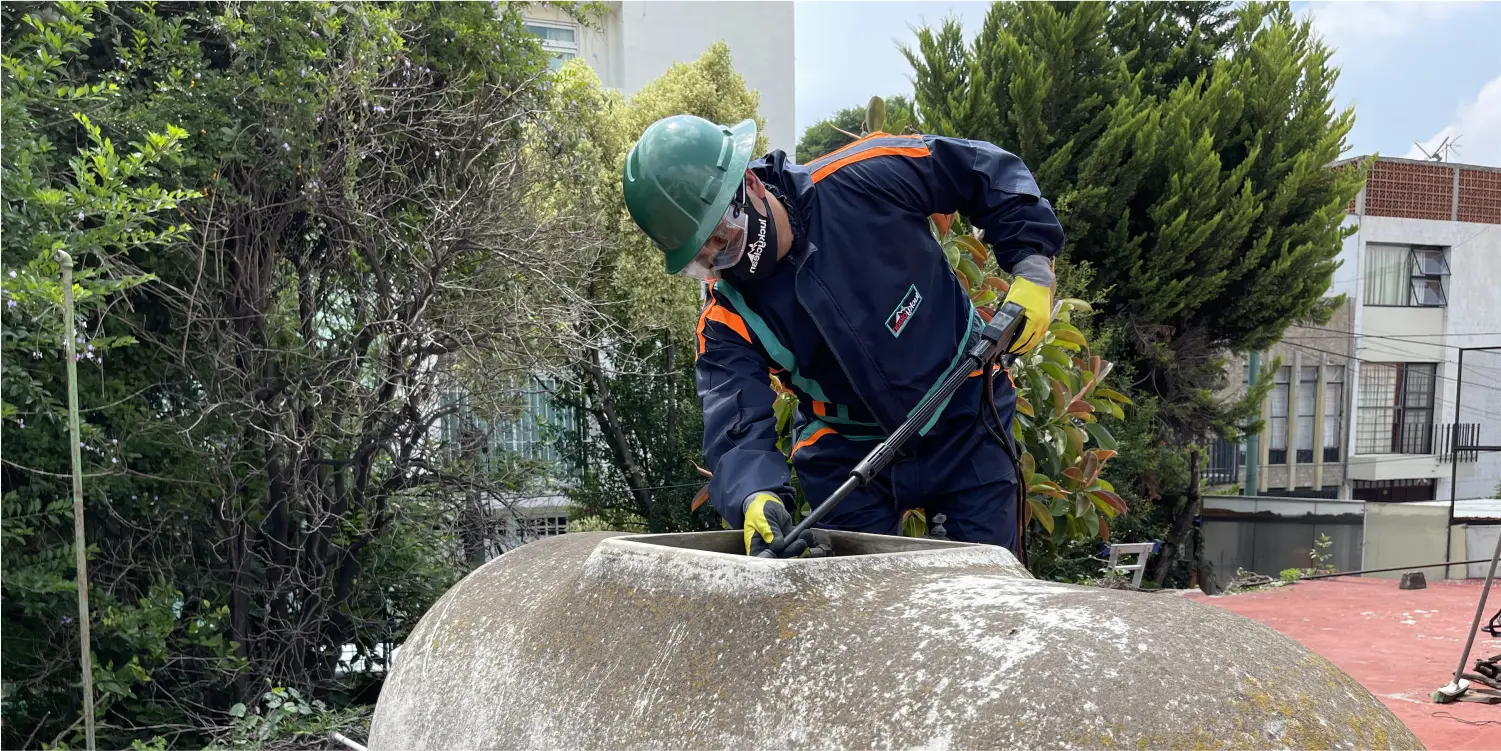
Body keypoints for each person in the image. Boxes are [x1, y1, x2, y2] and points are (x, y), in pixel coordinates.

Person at [622, 115, 1064, 558]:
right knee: (856, 602)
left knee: (983, 589)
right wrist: (753, 493)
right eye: (704, 261)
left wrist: (1031, 264)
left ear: (752, 185)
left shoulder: (865, 177)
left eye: (725, 239)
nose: (723, 263)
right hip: (847, 452)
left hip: (965, 409)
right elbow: (735, 423)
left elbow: (982, 169)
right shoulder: (726, 319)